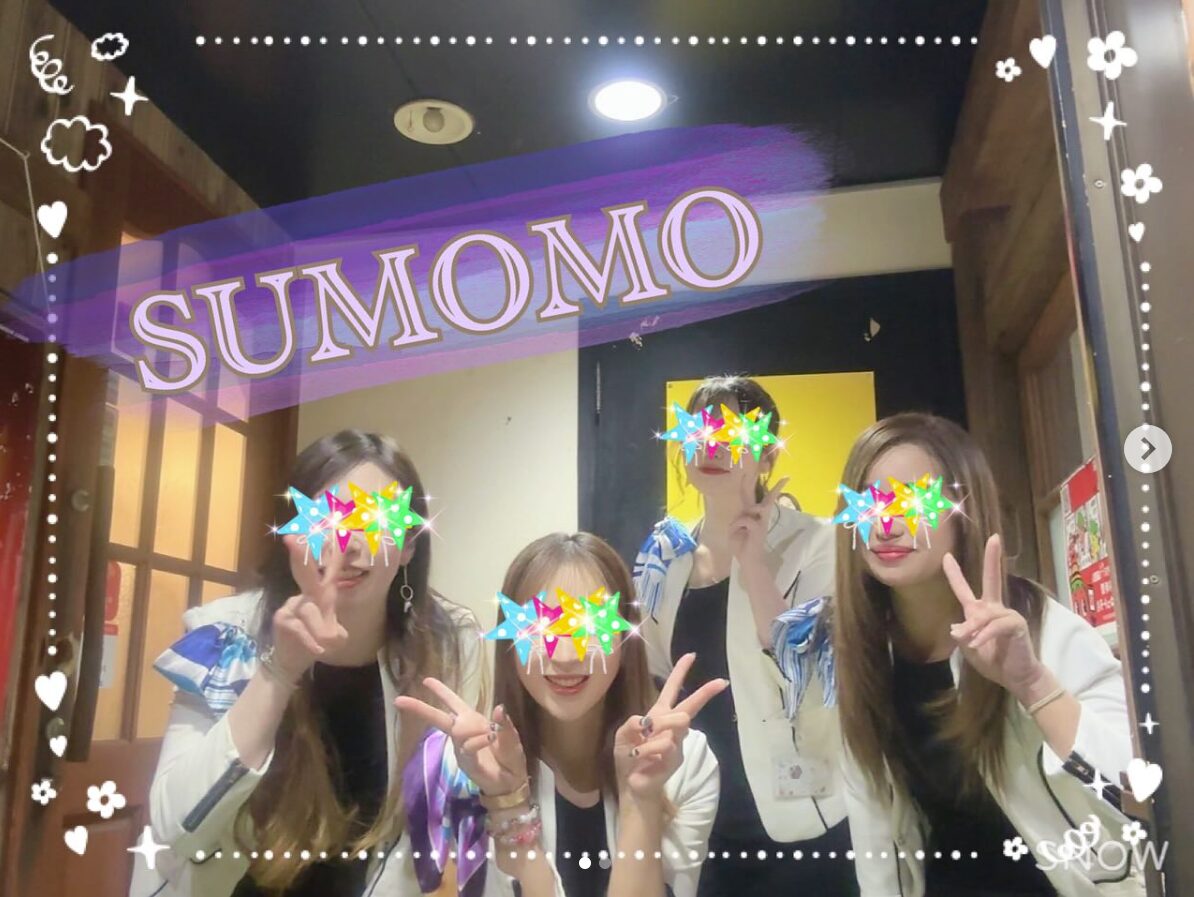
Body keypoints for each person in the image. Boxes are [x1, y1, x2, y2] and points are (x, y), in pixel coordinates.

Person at [130, 430, 484, 897]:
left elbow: (443, 828)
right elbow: (175, 826)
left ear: (408, 546)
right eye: (322, 520)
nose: (346, 542)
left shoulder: (446, 645)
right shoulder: (224, 636)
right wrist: (278, 671)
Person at [825, 412, 1142, 896]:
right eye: (869, 501)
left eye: (913, 500)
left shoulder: (1039, 629)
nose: (885, 524)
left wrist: (1032, 685)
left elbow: (1137, 791)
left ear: (964, 511)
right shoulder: (865, 651)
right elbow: (875, 827)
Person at [396, 532, 726, 897]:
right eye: (540, 627)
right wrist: (507, 801)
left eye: (591, 626)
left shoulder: (682, 761)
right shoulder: (463, 766)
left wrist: (641, 800)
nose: (566, 656)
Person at [633, 375, 854, 896]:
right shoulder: (664, 555)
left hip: (804, 809)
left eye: (733, 435)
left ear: (769, 455)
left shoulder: (818, 543)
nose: (713, 448)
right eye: (699, 432)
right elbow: (653, 676)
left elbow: (813, 674)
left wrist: (752, 563)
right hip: (705, 809)